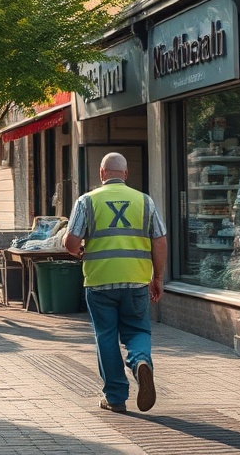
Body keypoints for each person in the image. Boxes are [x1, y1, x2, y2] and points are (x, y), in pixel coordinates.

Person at [62, 152, 167, 414]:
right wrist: (158, 278)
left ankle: (116, 397)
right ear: (126, 174)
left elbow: (71, 243)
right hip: (136, 281)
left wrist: (81, 251)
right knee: (138, 332)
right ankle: (141, 361)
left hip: (99, 282)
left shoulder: (86, 201)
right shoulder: (145, 201)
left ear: (101, 173)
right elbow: (160, 240)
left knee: (106, 337)